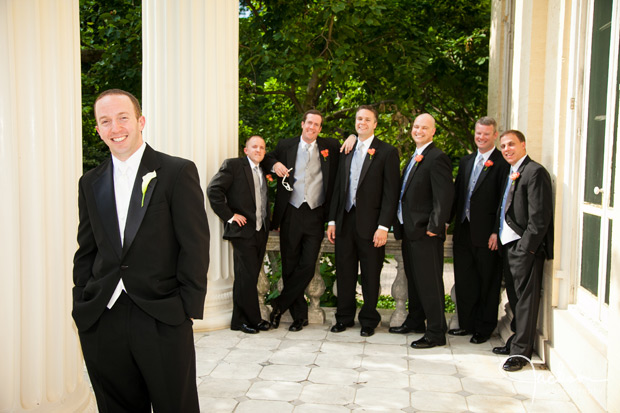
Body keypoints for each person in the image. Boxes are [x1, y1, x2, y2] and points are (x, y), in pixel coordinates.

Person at [72, 89, 210, 413]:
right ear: (97, 130)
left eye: (122, 117)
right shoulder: (89, 182)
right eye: (105, 121)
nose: (115, 127)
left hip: (162, 314)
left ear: (140, 121)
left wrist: (186, 307)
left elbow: (195, 244)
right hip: (103, 316)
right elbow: (86, 249)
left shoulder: (177, 172)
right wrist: (82, 300)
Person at [262, 110, 340, 331]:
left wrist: (353, 137)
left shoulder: (330, 147)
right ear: (302, 124)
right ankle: (299, 316)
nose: (312, 127)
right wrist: (274, 164)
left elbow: (350, 149)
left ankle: (277, 305)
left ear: (320, 128)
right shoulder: (286, 145)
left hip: (316, 213)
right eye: (309, 123)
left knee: (307, 265)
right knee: (289, 266)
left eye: (317, 124)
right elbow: (268, 158)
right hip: (291, 213)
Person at [327, 105, 400, 337]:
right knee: (345, 272)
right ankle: (344, 317)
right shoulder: (346, 150)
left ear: (375, 124)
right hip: (345, 221)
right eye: (359, 119)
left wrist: (383, 227)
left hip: (372, 225)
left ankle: (369, 319)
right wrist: (331, 220)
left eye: (367, 119)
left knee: (371, 274)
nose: (362, 123)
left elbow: (391, 193)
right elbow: (338, 188)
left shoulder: (387, 152)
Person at [391, 113, 454, 349]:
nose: (419, 130)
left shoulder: (437, 157)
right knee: (415, 281)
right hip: (409, 230)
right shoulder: (415, 156)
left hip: (425, 232)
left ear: (433, 131)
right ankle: (416, 320)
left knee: (429, 283)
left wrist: (434, 227)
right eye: (416, 126)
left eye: (424, 127)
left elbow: (444, 196)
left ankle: (436, 331)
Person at [493, 130, 553, 371]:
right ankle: (516, 340)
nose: (507, 149)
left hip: (524, 249)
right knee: (516, 300)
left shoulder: (535, 172)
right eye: (503, 146)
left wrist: (525, 249)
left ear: (523, 145)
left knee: (526, 302)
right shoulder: (512, 171)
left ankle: (521, 353)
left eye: (511, 144)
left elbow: (539, 218)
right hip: (509, 245)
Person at [449, 117, 510, 344]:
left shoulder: (502, 163)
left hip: (488, 234)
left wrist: (496, 231)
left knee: (488, 282)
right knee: (465, 280)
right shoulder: (466, 161)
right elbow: (458, 196)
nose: (481, 137)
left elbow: (503, 200)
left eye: (486, 134)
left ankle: (484, 328)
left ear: (495, 135)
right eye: (478, 133)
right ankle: (467, 324)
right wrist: (447, 222)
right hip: (464, 231)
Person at [207, 136, 272, 334]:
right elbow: (214, 190)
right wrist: (229, 216)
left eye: (262, 147)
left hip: (261, 231)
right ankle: (252, 320)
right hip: (243, 232)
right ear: (246, 150)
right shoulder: (234, 166)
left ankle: (238, 320)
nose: (258, 150)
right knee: (246, 277)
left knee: (248, 278)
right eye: (254, 146)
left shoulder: (262, 171)